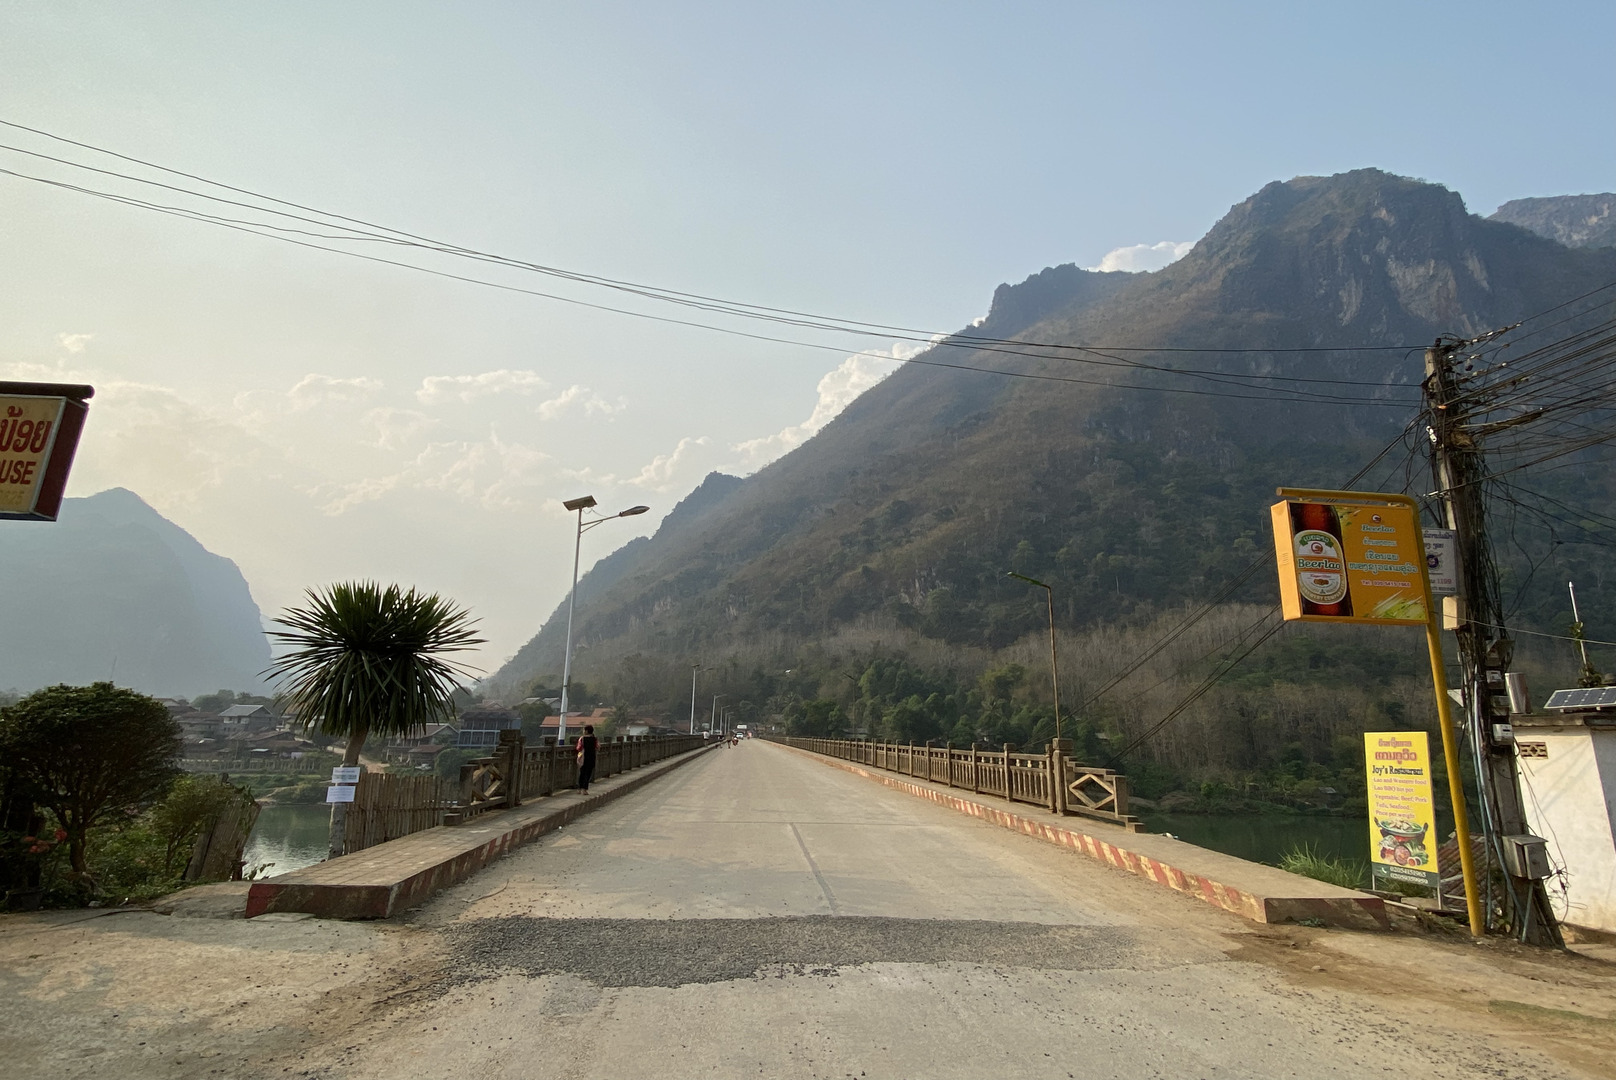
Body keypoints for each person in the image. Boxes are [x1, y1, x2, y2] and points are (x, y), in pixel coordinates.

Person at [575, 725, 599, 793]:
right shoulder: (595, 739)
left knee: (582, 773)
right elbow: (598, 747)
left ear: (586, 731)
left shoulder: (582, 739)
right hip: (591, 757)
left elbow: (578, 748)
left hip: (583, 758)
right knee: (588, 774)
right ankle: (584, 789)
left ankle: (579, 788)